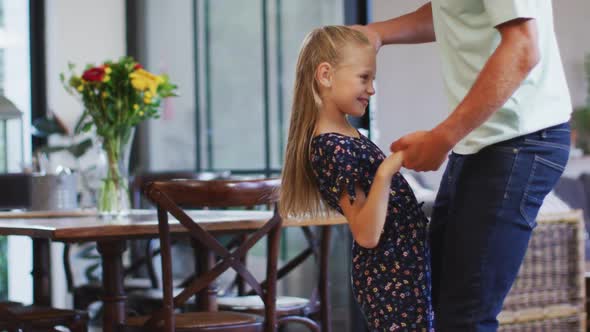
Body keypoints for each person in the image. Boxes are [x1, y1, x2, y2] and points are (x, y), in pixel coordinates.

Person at [354, 2, 572, 331]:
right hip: (482, 140)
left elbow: (524, 47)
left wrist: (442, 138)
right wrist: (377, 33)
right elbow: (455, 8)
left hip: (518, 138)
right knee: (440, 305)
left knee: (464, 317)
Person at [280, 25, 434, 331]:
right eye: (364, 78)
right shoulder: (330, 147)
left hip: (404, 270)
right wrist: (388, 169)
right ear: (325, 76)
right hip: (390, 279)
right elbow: (366, 233)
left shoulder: (347, 136)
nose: (372, 89)